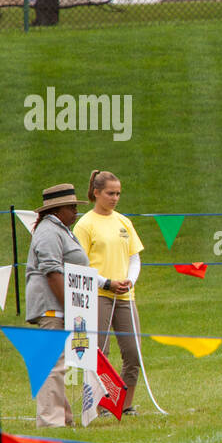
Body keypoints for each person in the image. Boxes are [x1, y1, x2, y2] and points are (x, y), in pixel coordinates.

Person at [24, 184, 128, 427]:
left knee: (58, 364)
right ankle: (50, 421)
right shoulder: (49, 232)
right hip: (53, 307)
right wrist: (71, 308)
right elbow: (51, 272)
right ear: (57, 210)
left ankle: (63, 417)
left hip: (61, 306)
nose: (75, 212)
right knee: (53, 364)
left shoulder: (60, 230)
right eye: (71, 208)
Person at [74, 170, 144, 415]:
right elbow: (79, 264)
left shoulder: (124, 222)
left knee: (133, 353)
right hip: (98, 295)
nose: (115, 198)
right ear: (96, 193)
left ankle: (125, 405)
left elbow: (134, 257)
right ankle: (99, 402)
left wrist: (129, 281)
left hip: (125, 295)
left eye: (118, 194)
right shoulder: (85, 225)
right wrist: (106, 283)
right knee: (99, 352)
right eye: (110, 193)